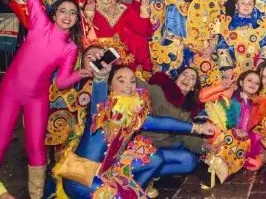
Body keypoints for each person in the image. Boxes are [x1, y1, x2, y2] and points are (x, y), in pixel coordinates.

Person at [0, 0, 87, 199]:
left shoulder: (71, 49)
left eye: (72, 13)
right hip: (10, 91)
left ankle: (36, 195)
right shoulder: (39, 23)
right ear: (53, 14)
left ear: (76, 20)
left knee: (36, 149)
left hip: (37, 99)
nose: (67, 15)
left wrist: (80, 74)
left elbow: (62, 82)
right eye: (62, 10)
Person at [57, 64, 214, 198]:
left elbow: (162, 123)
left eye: (132, 81)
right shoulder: (103, 110)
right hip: (81, 178)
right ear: (110, 86)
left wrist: (199, 128)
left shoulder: (133, 114)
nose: (128, 85)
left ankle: (136, 189)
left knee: (153, 160)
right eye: (121, 80)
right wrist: (100, 78)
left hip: (108, 171)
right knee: (124, 195)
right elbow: (99, 97)